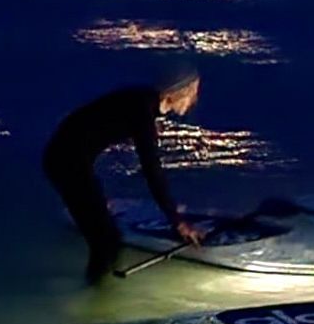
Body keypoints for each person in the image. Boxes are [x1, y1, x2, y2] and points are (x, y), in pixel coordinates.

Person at [42, 68, 204, 283]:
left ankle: (98, 287)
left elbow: (93, 129)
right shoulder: (142, 111)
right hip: (65, 162)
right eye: (192, 92)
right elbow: (151, 169)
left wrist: (98, 195)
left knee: (104, 233)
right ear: (175, 92)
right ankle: (95, 296)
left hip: (70, 160)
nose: (194, 100)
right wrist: (177, 221)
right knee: (106, 239)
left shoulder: (142, 101)